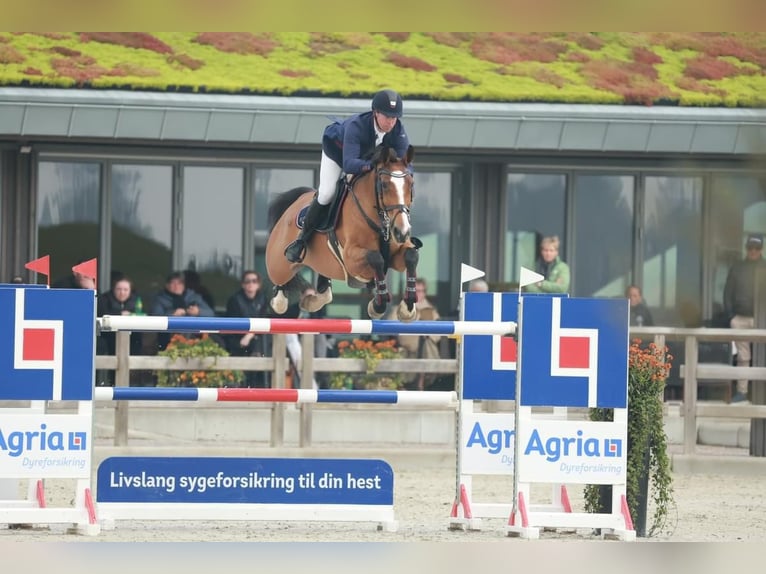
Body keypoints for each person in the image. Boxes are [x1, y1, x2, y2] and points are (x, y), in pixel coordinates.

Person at [284, 89, 410, 263]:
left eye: (394, 117)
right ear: (376, 113)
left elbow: (402, 165)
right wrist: (371, 166)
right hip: (337, 152)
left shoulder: (399, 132)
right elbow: (350, 164)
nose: (391, 122)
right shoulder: (356, 126)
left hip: (366, 159)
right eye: (387, 116)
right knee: (327, 193)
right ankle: (302, 239)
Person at [723, 233, 766, 403]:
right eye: (750, 248)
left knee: (762, 357)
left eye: (756, 248)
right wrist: (731, 316)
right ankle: (742, 391)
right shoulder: (737, 268)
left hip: (762, 319)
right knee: (743, 357)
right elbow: (727, 292)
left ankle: (761, 393)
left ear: (761, 249)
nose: (753, 251)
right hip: (740, 318)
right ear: (746, 248)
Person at [395, 278, 443, 390]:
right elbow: (394, 329)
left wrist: (426, 335)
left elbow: (438, 333)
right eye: (416, 291)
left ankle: (421, 383)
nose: (418, 294)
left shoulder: (431, 310)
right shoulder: (401, 308)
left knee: (427, 346)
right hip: (407, 347)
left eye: (421, 291)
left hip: (426, 348)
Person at [224, 270, 270, 388]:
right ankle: (246, 385)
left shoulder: (263, 299)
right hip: (238, 338)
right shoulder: (234, 300)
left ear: (258, 284)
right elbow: (233, 324)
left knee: (259, 342)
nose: (251, 284)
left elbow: (264, 320)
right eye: (247, 281)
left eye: (254, 281)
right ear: (243, 284)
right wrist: (247, 336)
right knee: (254, 346)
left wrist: (250, 335)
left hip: (255, 338)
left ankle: (257, 386)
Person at [150, 271, 215, 351]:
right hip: (168, 339)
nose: (176, 286)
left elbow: (211, 314)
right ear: (167, 285)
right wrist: (172, 315)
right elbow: (155, 319)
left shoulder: (194, 297)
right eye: (173, 283)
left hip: (194, 338)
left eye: (180, 283)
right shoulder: (160, 299)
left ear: (184, 286)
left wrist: (198, 312)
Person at [96, 275, 142, 385]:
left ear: (130, 291)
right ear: (113, 289)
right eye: (119, 289)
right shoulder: (105, 299)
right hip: (107, 340)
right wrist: (119, 314)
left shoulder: (136, 302)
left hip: (132, 341)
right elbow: (101, 314)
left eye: (125, 290)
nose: (122, 293)